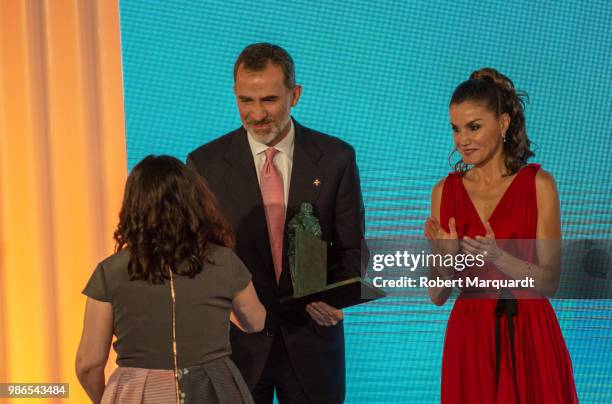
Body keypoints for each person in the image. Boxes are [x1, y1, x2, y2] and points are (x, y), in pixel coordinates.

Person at [187, 43, 365, 404]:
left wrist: (336, 297)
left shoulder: (335, 159)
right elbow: (195, 257)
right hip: (236, 350)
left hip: (313, 345)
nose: (256, 114)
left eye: (268, 100)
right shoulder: (204, 164)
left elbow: (352, 249)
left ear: (295, 95)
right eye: (245, 101)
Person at [424, 68, 578, 403]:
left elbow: (550, 282)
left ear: (504, 123)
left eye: (474, 127)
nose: (462, 139)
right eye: (456, 129)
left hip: (529, 334)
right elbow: (436, 296)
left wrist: (499, 257)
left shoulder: (539, 186)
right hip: (471, 337)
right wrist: (446, 261)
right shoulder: (443, 192)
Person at [75, 155, 265, 404]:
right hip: (213, 389)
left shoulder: (110, 271)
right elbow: (256, 322)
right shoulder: (224, 261)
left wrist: (106, 398)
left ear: (134, 204)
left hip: (138, 393)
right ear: (194, 201)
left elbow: (88, 364)